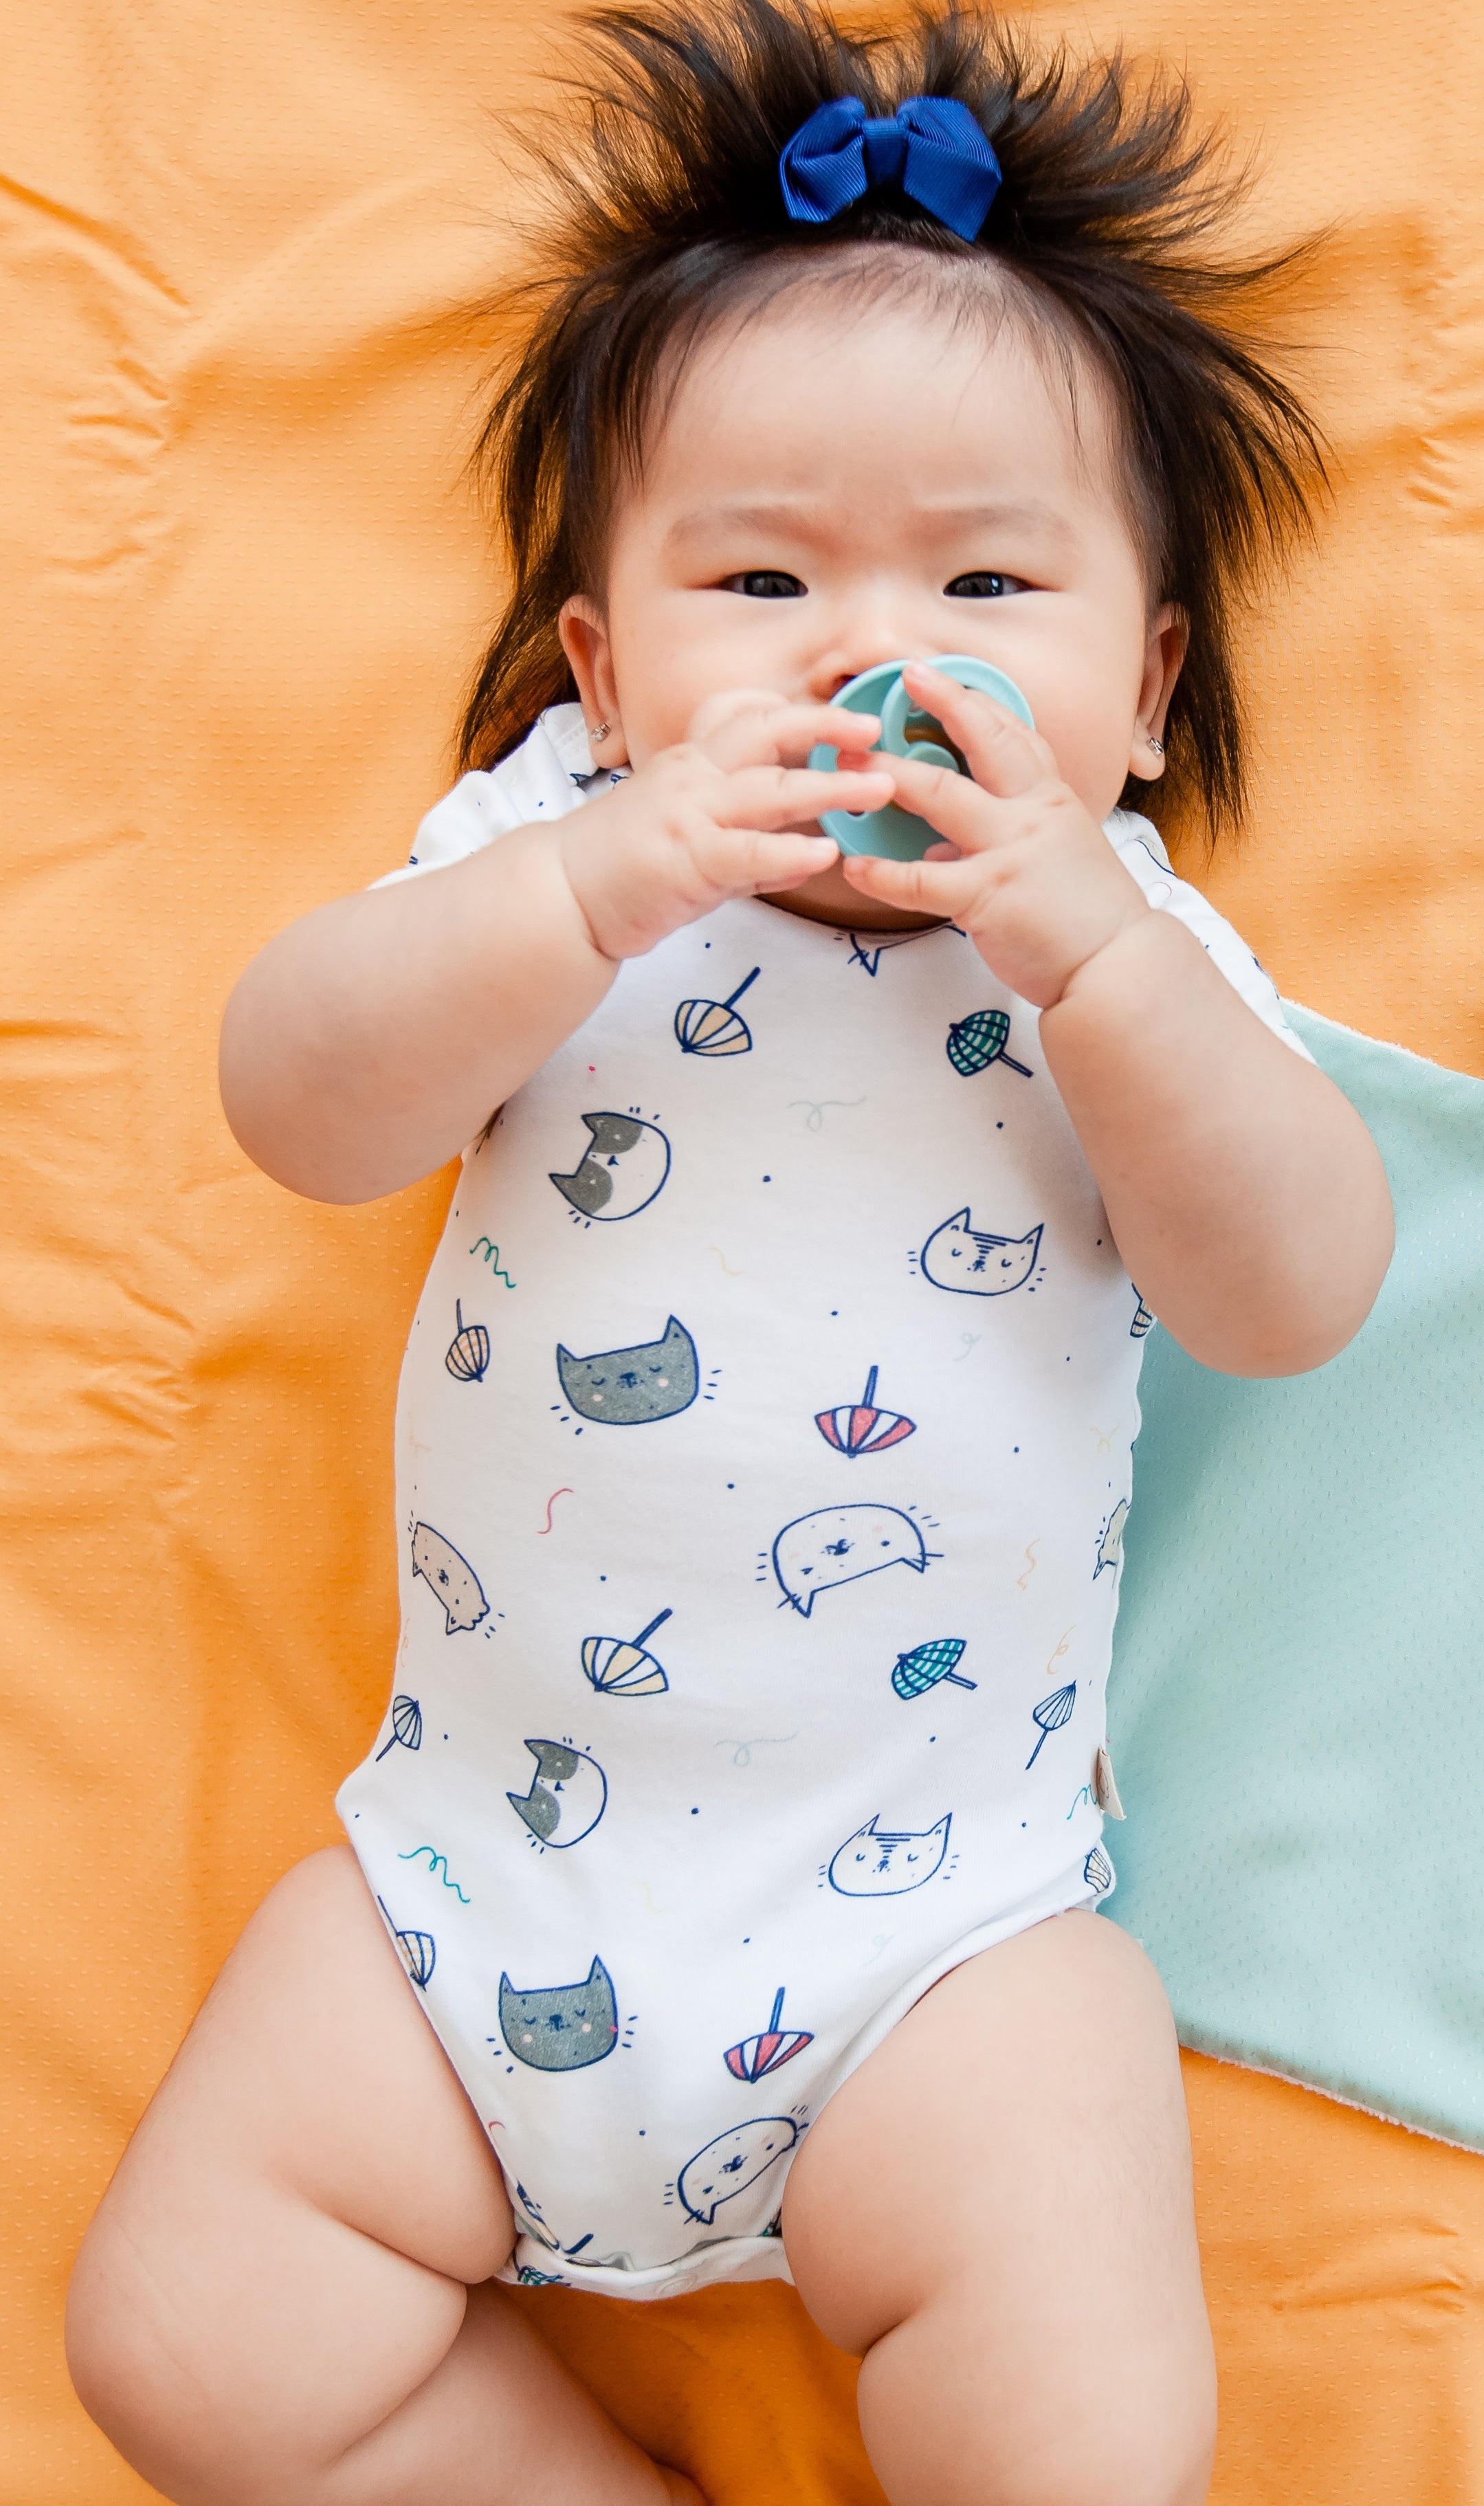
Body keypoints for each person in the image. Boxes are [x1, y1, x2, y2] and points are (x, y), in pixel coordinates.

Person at [65, 7, 1393, 2501]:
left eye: (990, 579)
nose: (855, 649)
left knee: (1081, 2432)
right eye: (756, 575)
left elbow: (1296, 1295)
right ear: (598, 669)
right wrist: (583, 882)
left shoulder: (1139, 965)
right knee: (184, 2338)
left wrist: (1100, 965)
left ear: (1143, 692)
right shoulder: (545, 870)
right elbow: (296, 1106)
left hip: (939, 1947)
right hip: (482, 1885)